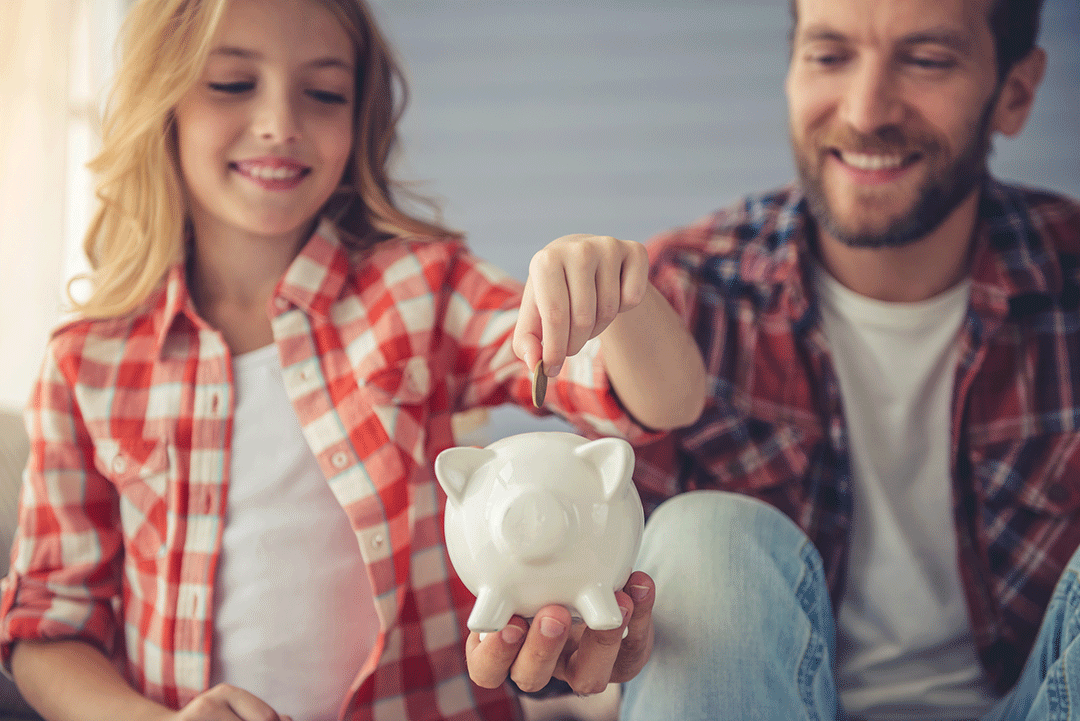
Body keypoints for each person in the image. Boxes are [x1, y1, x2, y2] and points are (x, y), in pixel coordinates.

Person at [0, 0, 706, 719]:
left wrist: (621, 291)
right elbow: (46, 628)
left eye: (325, 92)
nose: (281, 121)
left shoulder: (422, 290)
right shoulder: (86, 362)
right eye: (233, 84)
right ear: (162, 101)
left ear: (358, 117)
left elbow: (664, 401)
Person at [622, 0, 1080, 719]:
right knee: (704, 534)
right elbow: (596, 627)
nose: (866, 113)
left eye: (927, 60)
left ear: (1015, 94)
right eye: (829, 56)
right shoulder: (674, 298)